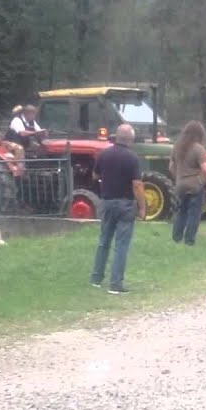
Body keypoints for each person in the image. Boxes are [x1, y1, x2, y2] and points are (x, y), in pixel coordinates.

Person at [91, 124, 145, 294]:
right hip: (125, 204)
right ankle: (115, 284)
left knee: (104, 241)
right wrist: (142, 207)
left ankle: (96, 278)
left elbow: (95, 175)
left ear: (116, 137)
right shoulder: (132, 158)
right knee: (121, 244)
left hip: (106, 202)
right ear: (130, 139)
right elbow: (137, 185)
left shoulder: (104, 154)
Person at [169, 120, 206, 246]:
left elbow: (171, 166)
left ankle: (176, 238)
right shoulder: (198, 149)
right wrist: (204, 182)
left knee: (181, 211)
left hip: (180, 185)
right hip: (195, 186)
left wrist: (178, 178)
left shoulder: (177, 147)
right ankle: (189, 240)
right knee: (194, 214)